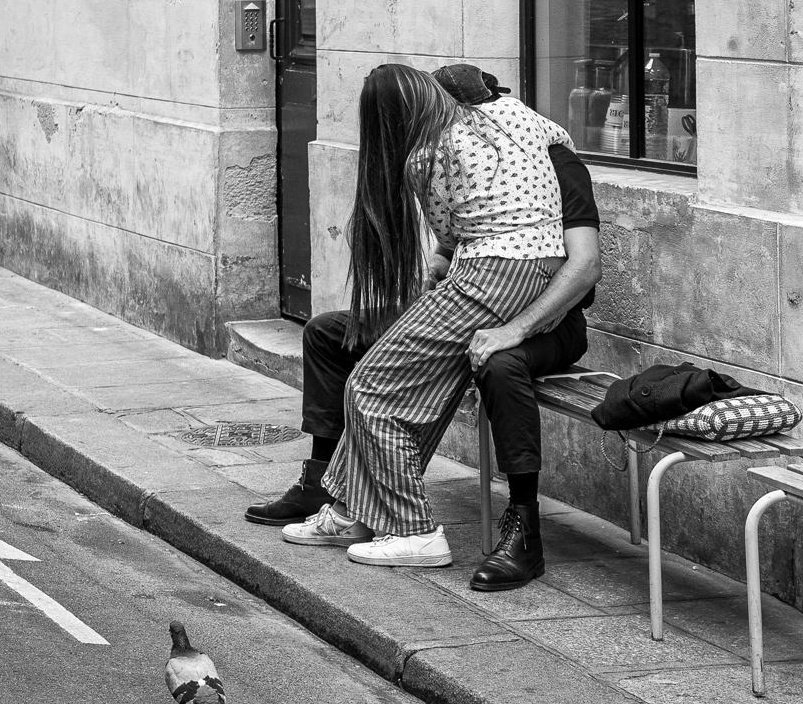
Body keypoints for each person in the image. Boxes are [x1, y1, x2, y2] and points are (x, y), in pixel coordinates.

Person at [247, 64, 600, 588]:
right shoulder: (523, 125)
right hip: (504, 271)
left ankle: (415, 530)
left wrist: (513, 326)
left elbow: (582, 264)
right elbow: (468, 227)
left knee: (370, 386)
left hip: (508, 285)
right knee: (381, 376)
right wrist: (446, 258)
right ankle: (349, 505)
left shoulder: (428, 156)